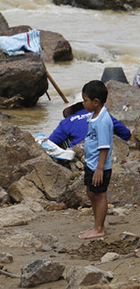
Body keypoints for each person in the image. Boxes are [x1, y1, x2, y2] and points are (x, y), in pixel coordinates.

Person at [79, 80, 113, 240]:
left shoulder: (103, 121)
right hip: (91, 164)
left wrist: (100, 168)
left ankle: (99, 228)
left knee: (99, 195)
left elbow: (104, 147)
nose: (83, 103)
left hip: (99, 166)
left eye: (85, 100)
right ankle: (96, 224)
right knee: (91, 192)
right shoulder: (95, 116)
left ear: (96, 102)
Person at [48, 100, 131, 149]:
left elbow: (50, 143)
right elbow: (125, 133)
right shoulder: (102, 114)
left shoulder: (66, 122)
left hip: (80, 153)